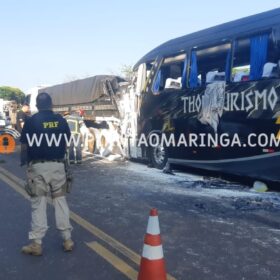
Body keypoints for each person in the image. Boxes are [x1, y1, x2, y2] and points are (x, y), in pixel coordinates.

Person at [20, 92, 74, 256]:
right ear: (51, 104)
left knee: (39, 204)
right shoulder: (60, 120)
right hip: (58, 167)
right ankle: (67, 240)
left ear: (37, 105)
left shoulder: (31, 121)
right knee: (60, 201)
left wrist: (25, 164)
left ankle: (36, 244)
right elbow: (66, 143)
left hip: (38, 168)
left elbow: (24, 146)